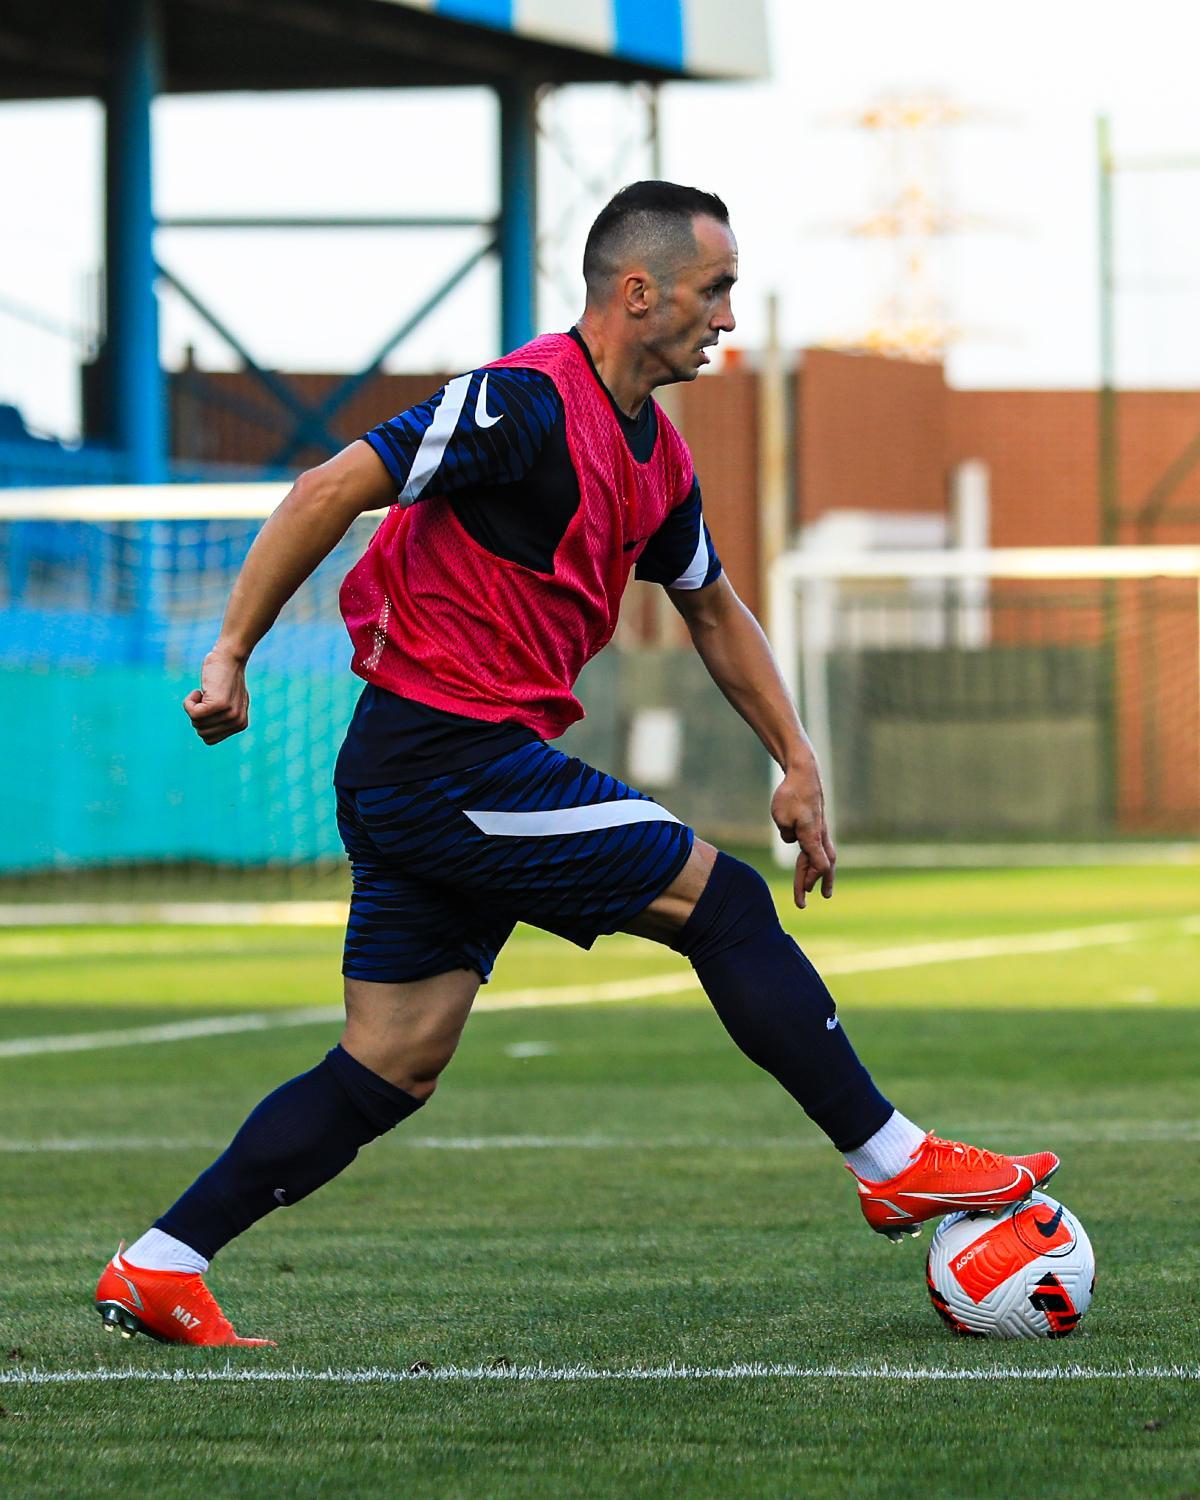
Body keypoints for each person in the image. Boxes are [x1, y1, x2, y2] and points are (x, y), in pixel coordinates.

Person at [95, 182, 1057, 1347]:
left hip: (441, 772)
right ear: (638, 291)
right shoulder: (521, 402)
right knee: (724, 903)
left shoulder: (656, 456)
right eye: (715, 290)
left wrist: (796, 758)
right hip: (446, 761)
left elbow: (713, 608)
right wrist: (231, 650)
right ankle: (892, 1161)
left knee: (392, 1063)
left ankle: (162, 1262)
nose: (727, 317)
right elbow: (328, 488)